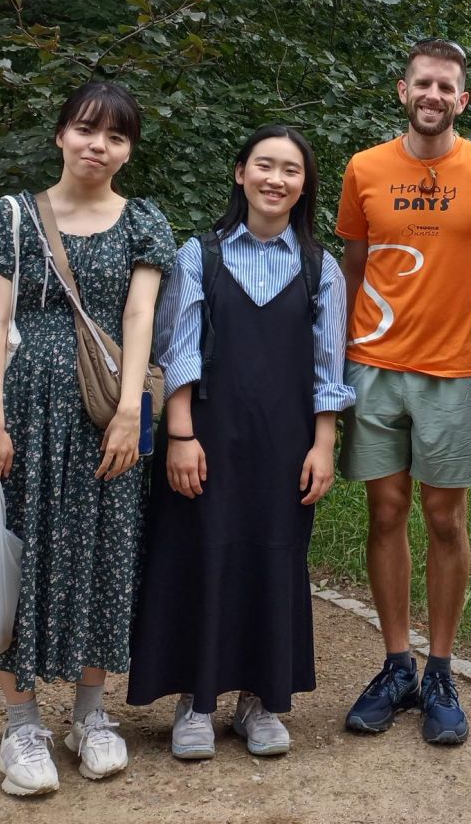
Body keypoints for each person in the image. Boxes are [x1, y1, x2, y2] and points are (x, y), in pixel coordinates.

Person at [0, 81, 175, 797]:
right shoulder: (11, 217)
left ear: (129, 150)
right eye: (86, 129)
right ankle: (20, 725)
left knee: (105, 553)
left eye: (116, 136)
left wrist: (131, 409)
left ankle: (92, 715)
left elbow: (139, 318)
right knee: (16, 549)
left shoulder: (144, 222)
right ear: (61, 135)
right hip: (22, 415)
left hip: (105, 418)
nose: (98, 146)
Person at [128, 124, 353, 759]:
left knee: (274, 557)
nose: (276, 179)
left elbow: (328, 369)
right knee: (199, 555)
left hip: (285, 445)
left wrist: (323, 446)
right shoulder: (199, 255)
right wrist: (179, 434)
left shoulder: (320, 268)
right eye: (264, 165)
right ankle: (196, 701)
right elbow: (177, 350)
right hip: (205, 437)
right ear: (240, 173)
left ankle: (260, 699)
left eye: (291, 170)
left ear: (304, 185)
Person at [336, 38, 471, 744]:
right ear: (403, 90)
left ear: (463, 99)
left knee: (445, 520)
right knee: (385, 513)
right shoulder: (363, 168)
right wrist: (337, 360)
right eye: (423, 84)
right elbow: (353, 265)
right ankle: (396, 665)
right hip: (372, 365)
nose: (433, 96)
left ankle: (442, 669)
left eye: (446, 87)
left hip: (453, 368)